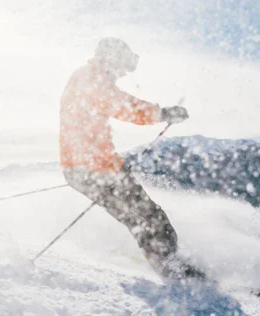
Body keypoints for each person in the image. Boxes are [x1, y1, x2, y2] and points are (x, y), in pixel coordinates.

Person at [60, 37, 206, 280]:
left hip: (91, 167)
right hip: (95, 169)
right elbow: (122, 105)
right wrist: (162, 113)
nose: (122, 74)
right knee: (150, 217)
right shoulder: (92, 80)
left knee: (139, 216)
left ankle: (164, 260)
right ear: (110, 59)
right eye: (122, 66)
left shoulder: (88, 78)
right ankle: (172, 268)